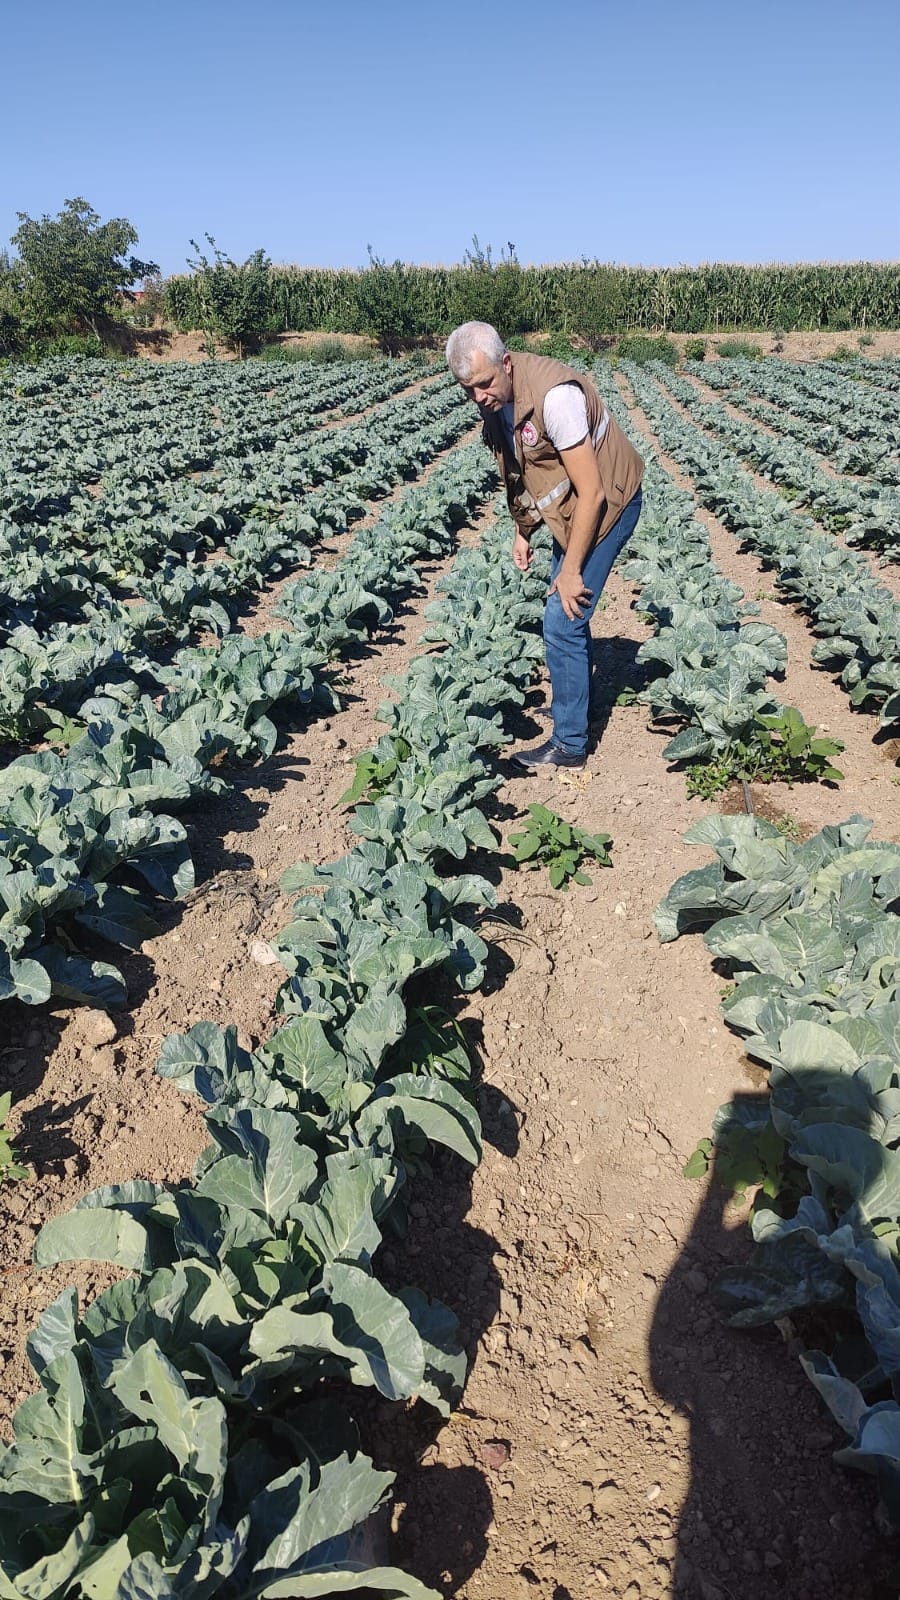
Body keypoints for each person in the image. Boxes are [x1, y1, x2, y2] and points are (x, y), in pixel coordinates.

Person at [446, 321, 644, 770]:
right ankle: (572, 704)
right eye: (468, 389)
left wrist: (570, 571)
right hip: (575, 507)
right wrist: (523, 529)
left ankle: (570, 745)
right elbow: (518, 466)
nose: (478, 397)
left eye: (484, 383)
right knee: (563, 612)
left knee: (562, 616)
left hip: (610, 501)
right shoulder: (496, 401)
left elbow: (593, 492)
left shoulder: (557, 399)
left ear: (507, 363)